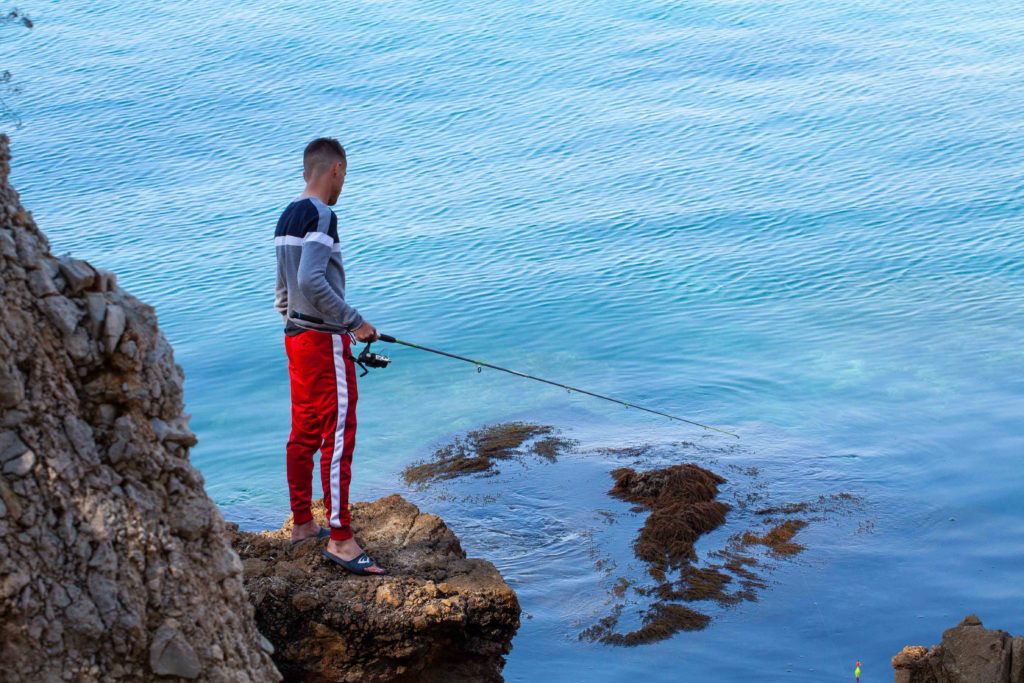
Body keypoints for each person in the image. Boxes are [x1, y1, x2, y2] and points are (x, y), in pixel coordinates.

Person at [273, 136, 385, 575]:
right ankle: (340, 538)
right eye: (344, 175)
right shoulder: (322, 215)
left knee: (303, 433)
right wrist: (354, 322)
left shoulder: (286, 216)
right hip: (321, 342)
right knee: (338, 436)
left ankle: (303, 524)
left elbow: (283, 294)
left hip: (296, 339)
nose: (343, 184)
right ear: (335, 169)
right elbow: (313, 279)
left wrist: (299, 321)